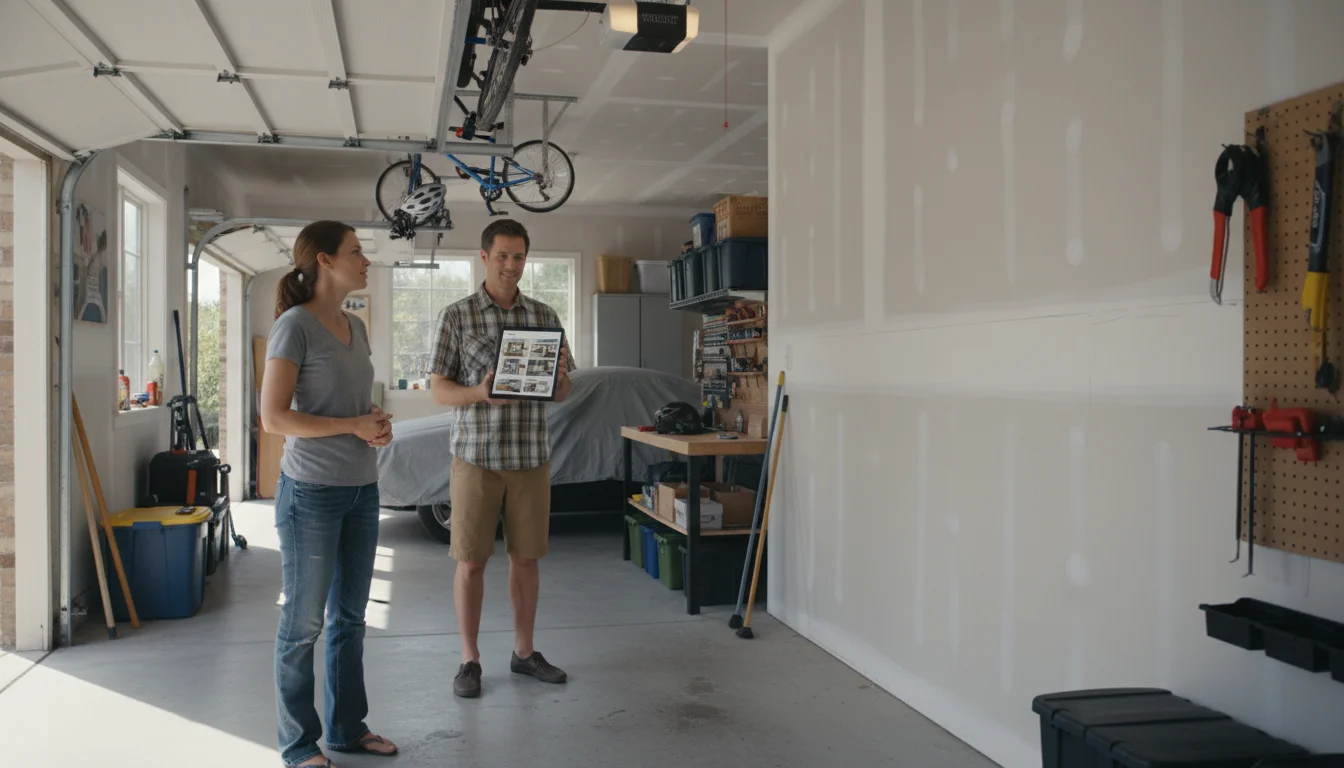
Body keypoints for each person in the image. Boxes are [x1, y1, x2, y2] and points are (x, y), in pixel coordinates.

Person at [260, 220, 399, 768]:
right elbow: (273, 418)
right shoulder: (294, 326)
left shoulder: (355, 327)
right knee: (303, 623)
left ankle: (346, 728)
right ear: (323, 260)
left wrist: (375, 425)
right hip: (311, 492)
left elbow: (352, 411)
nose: (366, 261)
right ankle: (298, 745)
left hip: (362, 488)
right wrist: (352, 427)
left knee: (350, 617)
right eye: (356, 252)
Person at [429, 218, 577, 699]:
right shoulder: (457, 315)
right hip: (476, 457)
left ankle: (524, 652)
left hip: (530, 456)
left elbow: (567, 383)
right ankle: (469, 660)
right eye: (503, 256)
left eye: (519, 257)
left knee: (527, 560)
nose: (511, 265)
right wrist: (478, 392)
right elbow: (438, 389)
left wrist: (556, 387)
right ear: (484, 257)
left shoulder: (545, 316)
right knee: (470, 562)